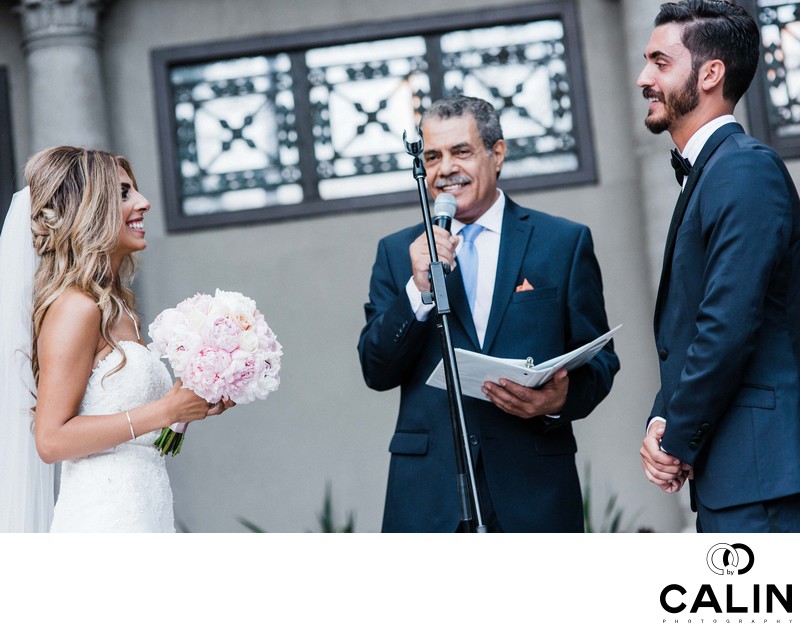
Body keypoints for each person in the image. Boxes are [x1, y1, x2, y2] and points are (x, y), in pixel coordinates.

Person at [358, 95, 619, 532]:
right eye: (432, 157)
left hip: (533, 492)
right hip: (428, 498)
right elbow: (375, 369)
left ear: (496, 154)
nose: (445, 169)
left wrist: (558, 400)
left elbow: (600, 362)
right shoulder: (398, 253)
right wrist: (419, 291)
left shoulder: (562, 242)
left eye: (461, 151)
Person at [0, 146, 233, 532]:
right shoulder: (77, 307)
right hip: (103, 519)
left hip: (144, 506)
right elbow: (52, 440)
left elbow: (126, 429)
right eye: (124, 193)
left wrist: (189, 406)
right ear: (88, 209)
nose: (144, 202)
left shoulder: (117, 306)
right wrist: (165, 411)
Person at [637, 1, 800, 532]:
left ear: (710, 74)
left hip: (765, 476)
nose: (644, 78)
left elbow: (726, 326)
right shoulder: (712, 173)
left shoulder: (743, 170)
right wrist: (662, 421)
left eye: (661, 62)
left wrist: (677, 439)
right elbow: (692, 327)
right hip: (736, 473)